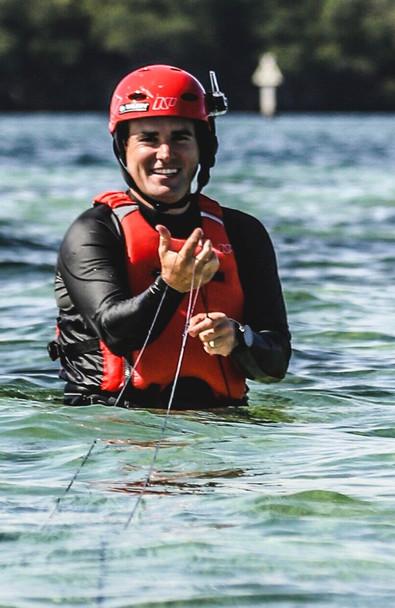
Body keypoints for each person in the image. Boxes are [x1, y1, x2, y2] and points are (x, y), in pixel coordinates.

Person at [50, 64, 290, 408]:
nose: (166, 153)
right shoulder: (94, 232)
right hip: (112, 420)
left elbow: (275, 365)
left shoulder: (244, 233)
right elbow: (115, 333)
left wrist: (238, 340)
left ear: (203, 148)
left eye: (181, 137)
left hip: (220, 423)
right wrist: (171, 286)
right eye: (148, 138)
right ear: (124, 148)